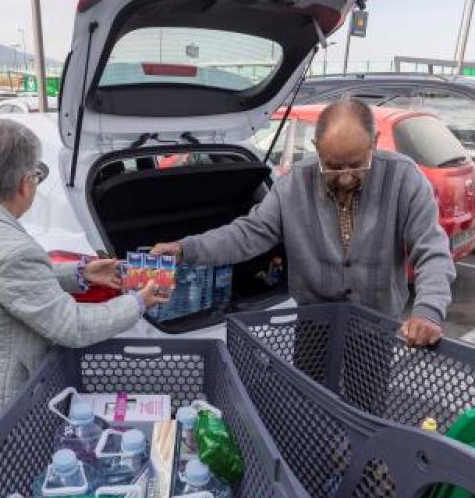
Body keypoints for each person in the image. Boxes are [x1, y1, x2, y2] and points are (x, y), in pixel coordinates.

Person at [0, 119, 169, 459]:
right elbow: (71, 326)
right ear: (25, 184)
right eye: (36, 177)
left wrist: (82, 272)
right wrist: (139, 301)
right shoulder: (11, 250)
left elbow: (4, 281)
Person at [151, 99, 455, 346]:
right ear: (316, 147)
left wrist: (427, 311)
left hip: (376, 329)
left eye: (356, 163)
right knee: (307, 410)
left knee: (366, 412)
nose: (346, 177)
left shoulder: (404, 178)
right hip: (313, 325)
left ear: (374, 143)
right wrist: (185, 249)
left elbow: (431, 249)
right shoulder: (294, 183)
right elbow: (248, 233)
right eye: (334, 166)